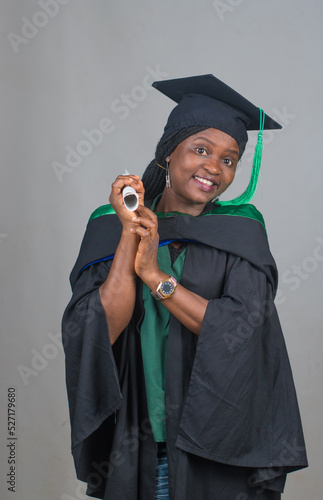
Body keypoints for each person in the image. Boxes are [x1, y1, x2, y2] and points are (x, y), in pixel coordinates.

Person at [62, 74, 308, 500]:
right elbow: (97, 330)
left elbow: (242, 329)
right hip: (138, 444)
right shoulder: (110, 224)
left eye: (229, 160)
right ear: (167, 154)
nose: (214, 167)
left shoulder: (241, 231)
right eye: (200, 150)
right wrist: (129, 236)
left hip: (219, 451)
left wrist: (156, 277)